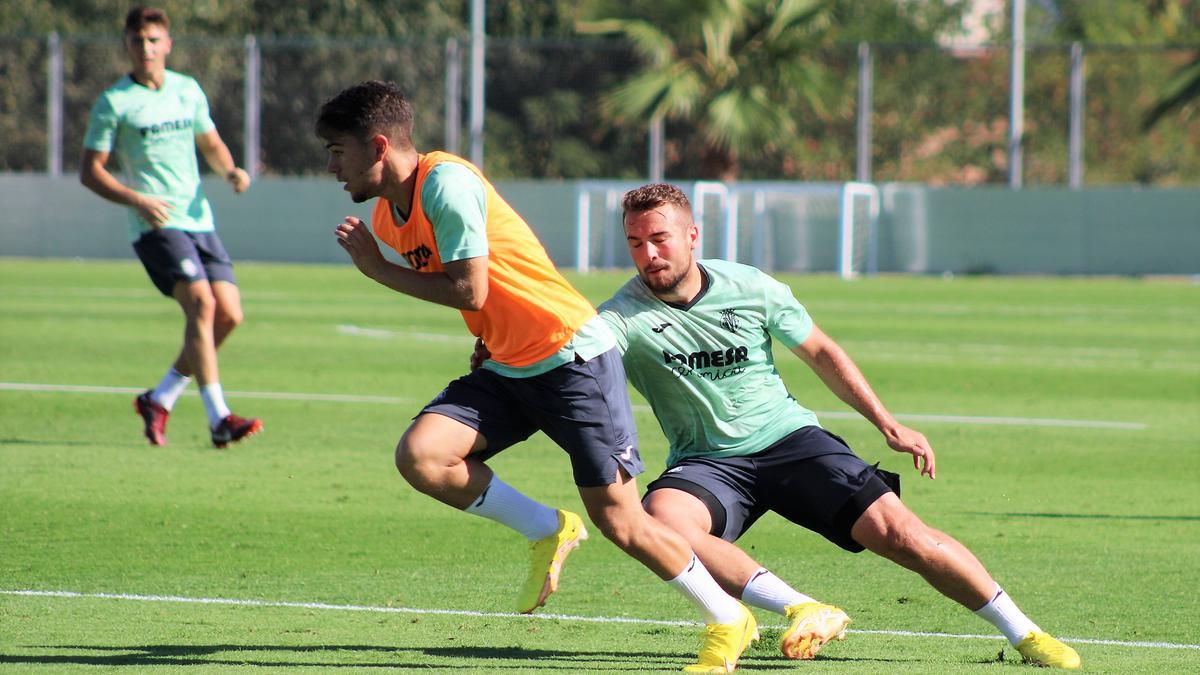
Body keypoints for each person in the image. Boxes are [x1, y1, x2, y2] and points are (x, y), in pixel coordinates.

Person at [314, 81, 758, 673]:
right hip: (509, 361)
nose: (332, 166)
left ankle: (730, 619)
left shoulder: (445, 183)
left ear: (377, 145)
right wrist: (487, 333)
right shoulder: (386, 216)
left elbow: (470, 286)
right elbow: (492, 284)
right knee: (423, 456)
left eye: (338, 150)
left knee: (623, 521)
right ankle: (548, 527)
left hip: (570, 356)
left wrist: (378, 271)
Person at [592, 183, 1080, 668]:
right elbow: (578, 362)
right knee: (661, 521)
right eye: (636, 243)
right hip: (706, 462)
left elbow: (822, 352)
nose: (649, 254)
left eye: (660, 238)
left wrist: (888, 425)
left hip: (790, 440)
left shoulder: (751, 287)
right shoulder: (621, 316)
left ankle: (1026, 633)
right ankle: (801, 608)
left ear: (692, 235)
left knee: (901, 535)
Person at [80, 7, 261, 449]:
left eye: (153, 40)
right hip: (154, 223)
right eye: (137, 41)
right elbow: (91, 172)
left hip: (198, 218)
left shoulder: (187, 90)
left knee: (229, 314)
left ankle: (159, 398)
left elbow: (210, 141)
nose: (146, 48)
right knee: (201, 304)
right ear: (127, 45)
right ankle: (219, 417)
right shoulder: (114, 102)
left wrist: (231, 171)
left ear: (167, 44)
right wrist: (137, 199)